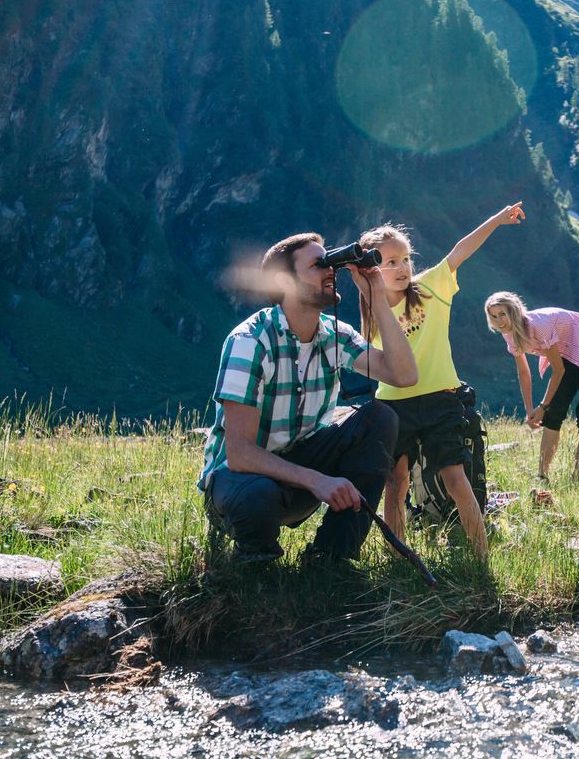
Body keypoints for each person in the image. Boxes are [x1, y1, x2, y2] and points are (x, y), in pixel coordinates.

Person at [196, 232, 418, 563]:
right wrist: (317, 481)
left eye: (330, 263)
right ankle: (255, 566)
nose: (331, 271)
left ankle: (332, 558)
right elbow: (240, 454)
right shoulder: (251, 341)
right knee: (257, 495)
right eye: (318, 265)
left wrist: (377, 298)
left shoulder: (335, 335)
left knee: (379, 418)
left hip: (299, 470)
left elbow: (404, 375)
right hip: (241, 483)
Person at [358, 203, 525, 559]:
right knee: (396, 482)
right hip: (393, 404)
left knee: (455, 478)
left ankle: (480, 558)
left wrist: (497, 220)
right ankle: (397, 557)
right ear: (372, 270)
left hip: (441, 398)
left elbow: (460, 250)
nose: (402, 267)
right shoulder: (373, 311)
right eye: (390, 262)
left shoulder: (430, 288)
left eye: (406, 259)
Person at [484, 291, 579, 481]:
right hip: (569, 352)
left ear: (513, 311)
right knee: (554, 413)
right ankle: (542, 477)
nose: (499, 321)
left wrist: (542, 407)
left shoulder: (538, 325)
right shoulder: (509, 333)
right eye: (494, 316)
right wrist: (530, 411)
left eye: (503, 314)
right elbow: (524, 372)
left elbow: (558, 370)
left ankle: (578, 477)